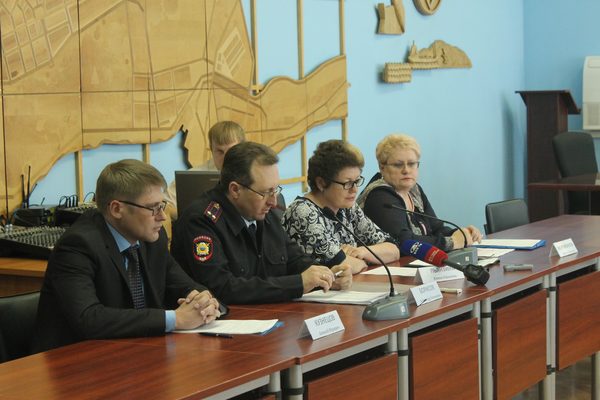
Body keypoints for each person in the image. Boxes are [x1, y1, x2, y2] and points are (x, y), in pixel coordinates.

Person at [32, 159, 221, 353]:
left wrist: (204, 301)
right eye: (153, 208)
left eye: (162, 205)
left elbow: (184, 285)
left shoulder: (153, 238)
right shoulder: (78, 246)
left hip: (136, 351)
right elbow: (88, 319)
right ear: (117, 209)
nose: (162, 216)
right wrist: (176, 319)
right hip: (75, 359)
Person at [171, 142, 352, 304]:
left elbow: (295, 260)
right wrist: (297, 284)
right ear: (235, 190)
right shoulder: (201, 221)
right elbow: (222, 288)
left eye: (275, 190)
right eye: (265, 192)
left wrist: (326, 275)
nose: (273, 201)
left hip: (273, 318)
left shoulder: (266, 214)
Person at [282, 140, 400, 273]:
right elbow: (344, 265)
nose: (354, 190)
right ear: (321, 183)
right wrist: (364, 260)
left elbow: (393, 250)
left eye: (357, 181)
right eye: (347, 183)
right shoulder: (303, 212)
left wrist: (362, 252)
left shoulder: (347, 207)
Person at [357, 134, 482, 251]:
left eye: (411, 164)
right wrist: (451, 242)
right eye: (398, 165)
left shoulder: (414, 190)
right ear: (382, 167)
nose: (406, 170)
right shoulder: (379, 196)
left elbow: (436, 228)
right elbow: (404, 242)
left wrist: (461, 233)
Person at [164, 121, 246, 219]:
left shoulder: (254, 175)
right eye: (220, 151)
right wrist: (192, 217)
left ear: (242, 149)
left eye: (231, 150)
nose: (225, 157)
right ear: (211, 149)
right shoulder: (191, 177)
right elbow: (166, 206)